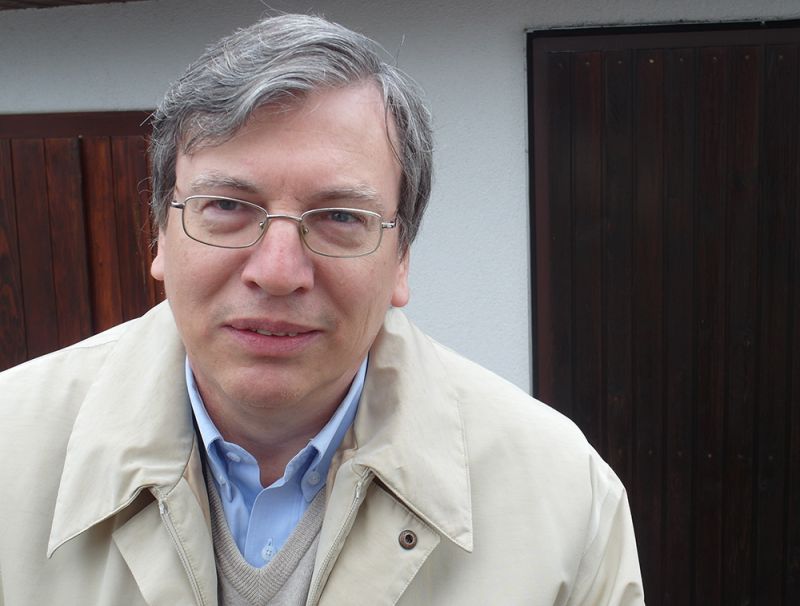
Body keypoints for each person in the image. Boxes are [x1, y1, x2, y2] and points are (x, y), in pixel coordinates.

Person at [0, 14, 644, 606]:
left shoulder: (567, 501)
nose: (278, 272)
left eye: (340, 216)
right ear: (160, 237)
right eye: (227, 206)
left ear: (401, 260)